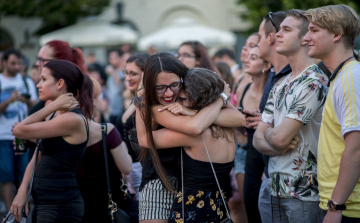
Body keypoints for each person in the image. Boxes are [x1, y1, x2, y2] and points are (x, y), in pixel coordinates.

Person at [136, 52, 245, 223]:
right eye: (159, 87)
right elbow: (230, 120)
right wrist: (220, 99)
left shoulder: (191, 93)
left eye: (174, 86)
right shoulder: (224, 128)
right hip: (212, 206)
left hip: (191, 207)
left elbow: (234, 119)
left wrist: (196, 112)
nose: (169, 94)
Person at [253, 10, 329, 222]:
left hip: (303, 193)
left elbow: (275, 137)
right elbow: (258, 140)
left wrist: (272, 137)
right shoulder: (280, 83)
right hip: (274, 188)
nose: (278, 34)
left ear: (305, 38)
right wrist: (274, 141)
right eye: (280, 29)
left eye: (287, 30)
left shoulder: (314, 81)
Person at [10, 59, 93, 222]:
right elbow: (38, 156)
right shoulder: (56, 115)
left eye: (44, 79)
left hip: (60, 205)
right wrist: (22, 192)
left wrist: (51, 106)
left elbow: (19, 130)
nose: (38, 85)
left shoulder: (71, 119)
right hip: (47, 203)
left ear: (60, 83)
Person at [303, 5, 360, 222]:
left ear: (337, 34)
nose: (306, 37)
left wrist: (336, 207)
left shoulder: (351, 77)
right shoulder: (341, 76)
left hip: (348, 207)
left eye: (314, 30)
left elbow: (356, 149)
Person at [240, 11, 289, 223]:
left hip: (277, 170)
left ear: (270, 38)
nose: (254, 44)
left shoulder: (292, 77)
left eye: (258, 37)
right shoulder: (274, 75)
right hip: (260, 160)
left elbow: (282, 138)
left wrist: (264, 124)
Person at [75, 78, 138, 223]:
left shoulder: (59, 133)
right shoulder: (105, 130)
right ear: (92, 99)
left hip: (79, 205)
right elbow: (127, 168)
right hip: (110, 203)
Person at [0, 48, 38, 212]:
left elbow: (37, 106)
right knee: (6, 177)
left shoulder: (26, 81)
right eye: (13, 63)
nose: (16, 67)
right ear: (4, 62)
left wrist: (25, 101)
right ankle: (10, 213)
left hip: (23, 135)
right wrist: (9, 100)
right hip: (4, 135)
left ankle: (24, 213)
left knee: (25, 176)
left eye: (19, 63)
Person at [241, 46, 271, 222]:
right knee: (250, 203)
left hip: (269, 151)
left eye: (253, 57)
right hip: (249, 153)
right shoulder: (243, 88)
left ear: (266, 65)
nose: (246, 60)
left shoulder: (272, 90)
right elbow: (238, 131)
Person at [116, 52, 150, 201]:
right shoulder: (134, 98)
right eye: (126, 72)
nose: (128, 78)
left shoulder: (146, 101)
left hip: (144, 167)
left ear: (145, 75)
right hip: (131, 169)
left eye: (133, 73)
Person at [107, 49, 127, 124]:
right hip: (111, 111)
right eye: (110, 58)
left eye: (113, 58)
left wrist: (113, 72)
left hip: (121, 111)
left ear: (120, 58)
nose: (110, 60)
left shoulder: (125, 72)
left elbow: (119, 86)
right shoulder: (112, 72)